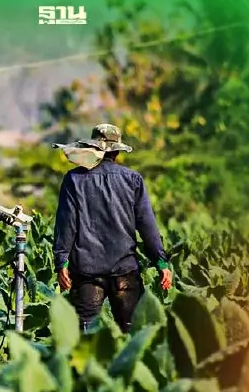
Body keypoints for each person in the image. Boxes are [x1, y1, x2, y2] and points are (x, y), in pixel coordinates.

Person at [51, 123, 172, 334]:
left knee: (85, 339)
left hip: (87, 273)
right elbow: (147, 225)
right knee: (133, 337)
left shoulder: (74, 180)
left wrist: (62, 262)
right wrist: (161, 262)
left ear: (93, 148)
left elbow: (66, 225)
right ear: (116, 151)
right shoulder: (132, 179)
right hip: (124, 270)